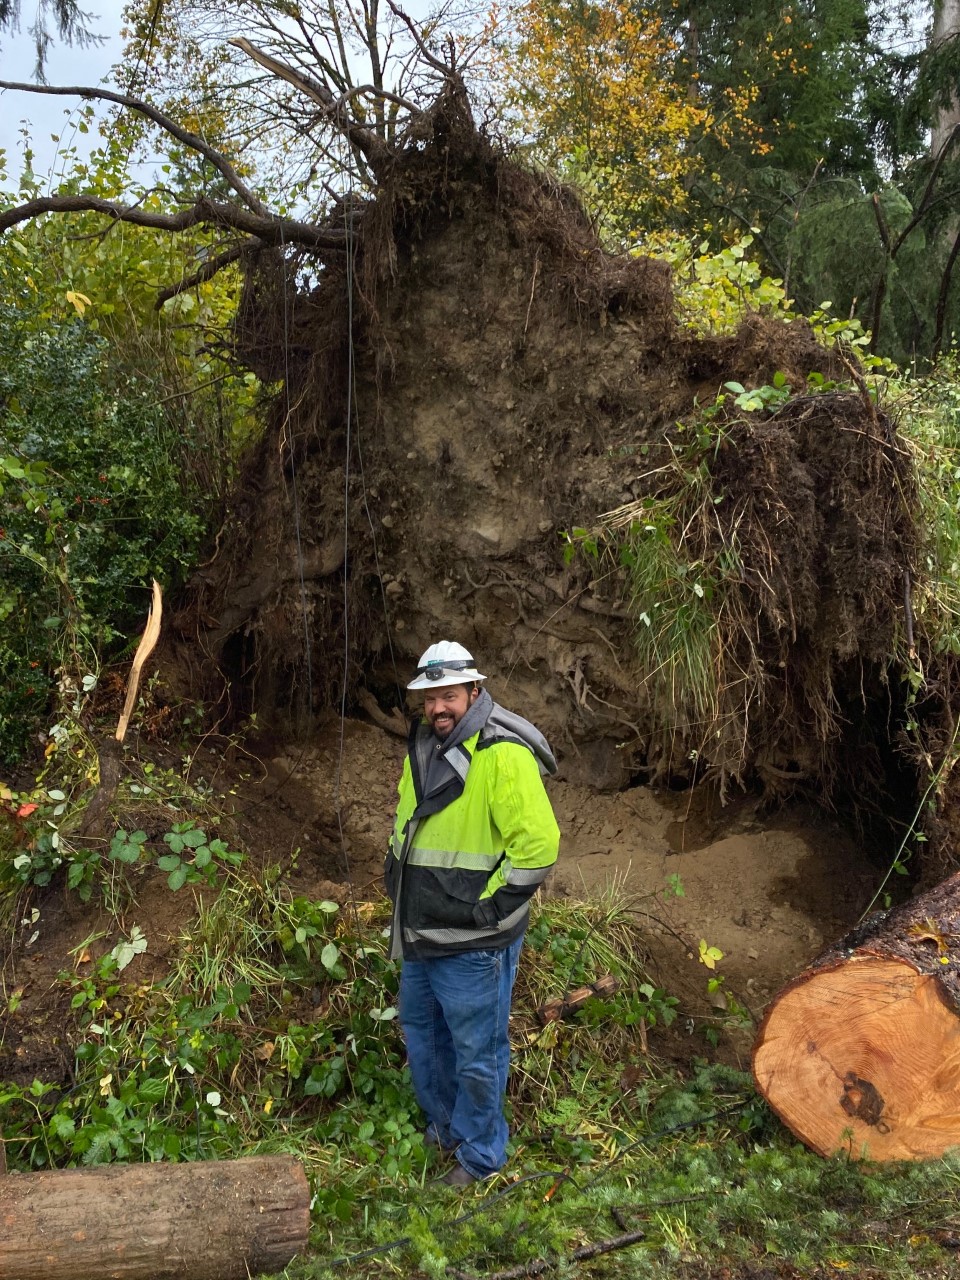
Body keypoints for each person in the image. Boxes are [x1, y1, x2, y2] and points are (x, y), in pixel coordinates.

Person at [385, 640, 560, 1186]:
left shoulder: (502, 753)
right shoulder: (424, 745)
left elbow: (538, 846)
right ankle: (447, 1128)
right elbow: (408, 824)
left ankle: (482, 1156)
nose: (439, 707)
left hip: (472, 942)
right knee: (423, 1031)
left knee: (477, 1052)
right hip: (421, 929)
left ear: (474, 692)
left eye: (450, 696)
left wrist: (489, 915)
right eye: (430, 697)